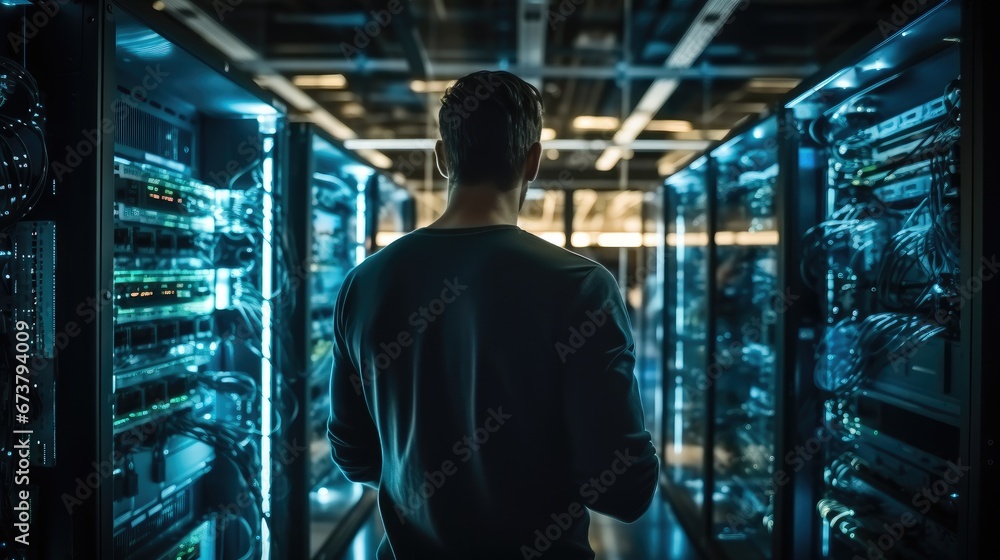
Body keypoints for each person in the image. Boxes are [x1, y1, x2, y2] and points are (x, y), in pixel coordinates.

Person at [327, 70, 659, 560]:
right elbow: (623, 488)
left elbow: (353, 454)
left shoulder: (365, 282)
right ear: (533, 161)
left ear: (442, 158)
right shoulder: (580, 286)